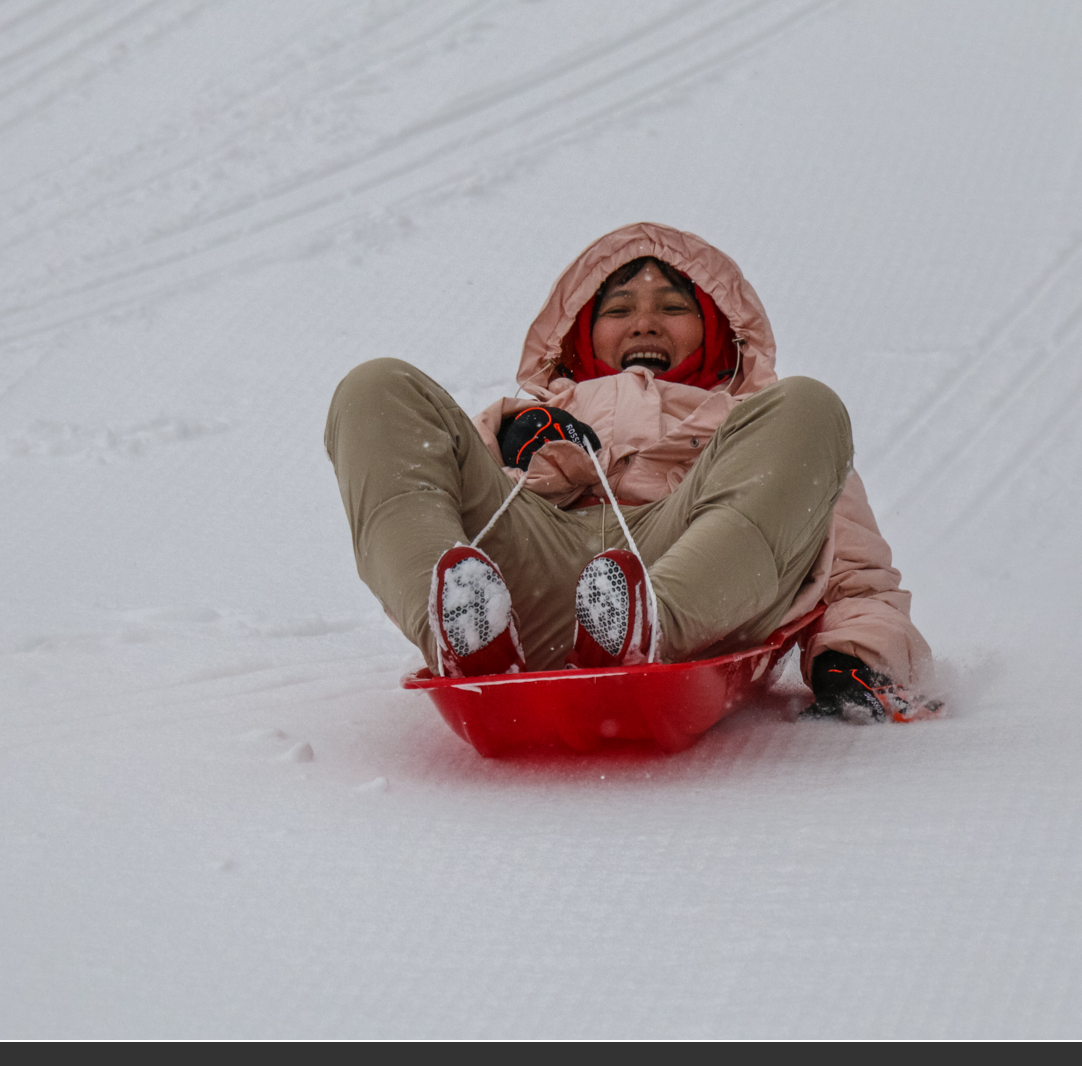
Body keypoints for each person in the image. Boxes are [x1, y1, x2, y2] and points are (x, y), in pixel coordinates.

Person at [324, 222, 938, 721]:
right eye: (619, 308)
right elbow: (436, 501)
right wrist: (524, 451)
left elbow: (854, 576)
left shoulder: (761, 427)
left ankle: (644, 626)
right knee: (377, 388)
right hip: (532, 583)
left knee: (811, 404)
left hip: (692, 581)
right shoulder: (523, 421)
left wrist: (859, 657)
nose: (645, 322)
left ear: (719, 336)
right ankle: (459, 626)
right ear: (581, 340)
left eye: (673, 306)